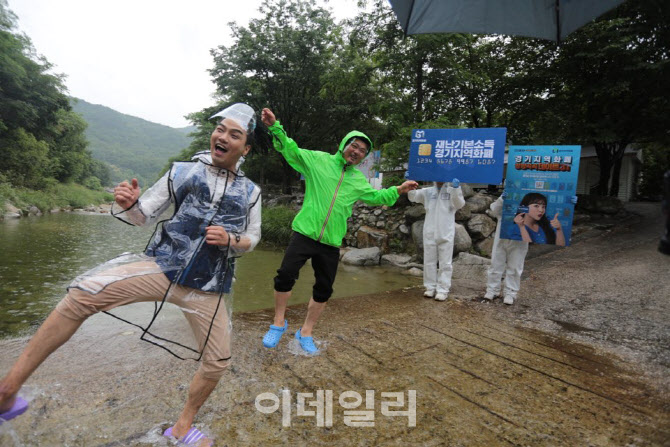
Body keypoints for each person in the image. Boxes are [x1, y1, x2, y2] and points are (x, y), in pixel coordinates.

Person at [0, 103, 267, 445]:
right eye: (220, 130)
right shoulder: (182, 172)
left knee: (218, 361)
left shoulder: (252, 192)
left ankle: (182, 427)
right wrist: (127, 204)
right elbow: (142, 215)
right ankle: (8, 389)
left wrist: (232, 239)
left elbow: (253, 238)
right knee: (83, 293)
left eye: (235, 134)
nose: (223, 137)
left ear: (244, 148)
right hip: (163, 266)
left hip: (208, 285)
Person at [259, 108, 418, 354]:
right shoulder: (318, 160)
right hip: (304, 233)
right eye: (354, 145)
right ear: (344, 144)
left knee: (324, 288)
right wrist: (274, 127)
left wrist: (398, 189)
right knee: (285, 276)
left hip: (331, 242)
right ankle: (278, 323)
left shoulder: (357, 180)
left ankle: (306, 332)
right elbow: (289, 149)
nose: (356, 152)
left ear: (364, 157)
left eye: (362, 151)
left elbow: (376, 196)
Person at [485, 190, 577, 305]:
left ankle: (510, 293)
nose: (540, 210)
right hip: (501, 240)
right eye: (536, 206)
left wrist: (569, 202)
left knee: (515, 267)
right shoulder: (509, 205)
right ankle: (492, 290)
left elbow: (557, 239)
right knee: (496, 264)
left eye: (543, 206)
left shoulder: (543, 224)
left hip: (519, 244)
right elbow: (495, 209)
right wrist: (502, 198)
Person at [408, 179, 465, 301]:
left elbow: (459, 204)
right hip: (430, 231)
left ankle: (443, 289)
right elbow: (413, 197)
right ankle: (430, 287)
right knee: (429, 261)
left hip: (446, 232)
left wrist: (456, 188)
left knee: (445, 263)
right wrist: (410, 184)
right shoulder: (427, 192)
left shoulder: (451, 191)